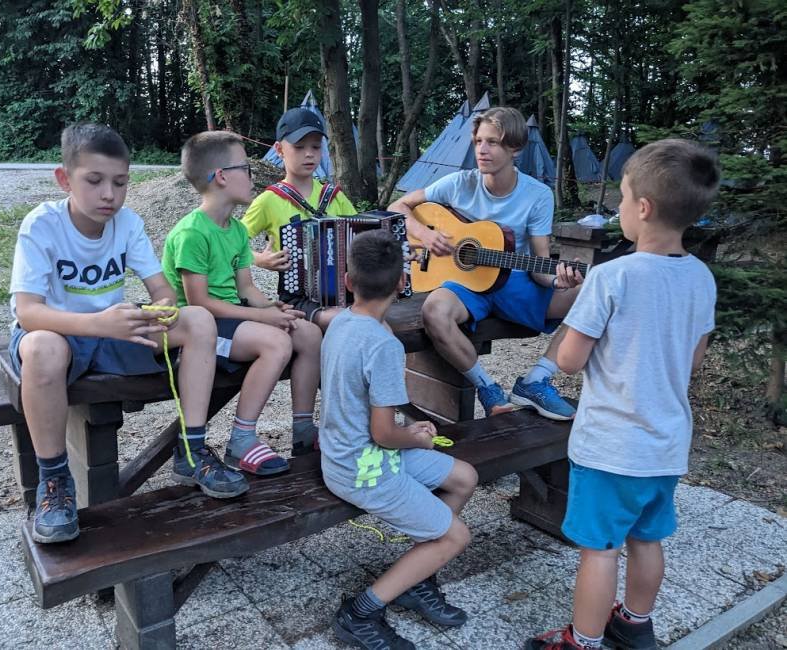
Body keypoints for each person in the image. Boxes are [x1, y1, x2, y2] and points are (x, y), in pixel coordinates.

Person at [525, 139, 720, 650]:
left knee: (601, 549)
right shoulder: (702, 277)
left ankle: (583, 641)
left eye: (624, 197)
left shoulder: (612, 276)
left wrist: (578, 317)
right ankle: (634, 624)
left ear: (644, 208)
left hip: (611, 446)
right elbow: (693, 360)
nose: (619, 208)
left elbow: (569, 361)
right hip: (665, 445)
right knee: (647, 539)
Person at [9, 123, 222, 544]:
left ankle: (192, 447)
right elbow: (28, 312)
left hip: (112, 334)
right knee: (42, 348)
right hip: (58, 334)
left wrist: (162, 310)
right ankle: (54, 480)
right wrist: (98, 324)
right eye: (95, 181)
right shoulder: (43, 224)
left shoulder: (127, 223)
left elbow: (162, 290)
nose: (109, 194)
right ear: (64, 179)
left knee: (199, 320)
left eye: (120, 183)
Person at [320, 229, 478, 649]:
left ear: (348, 282)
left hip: (350, 455)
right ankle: (360, 613)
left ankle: (416, 578)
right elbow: (385, 433)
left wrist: (406, 437)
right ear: (402, 283)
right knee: (457, 536)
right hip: (362, 469)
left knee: (464, 477)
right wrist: (416, 437)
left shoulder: (341, 322)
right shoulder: (382, 347)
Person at [388, 106, 583, 422]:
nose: (482, 150)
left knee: (589, 293)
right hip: (464, 285)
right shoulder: (458, 183)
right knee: (434, 311)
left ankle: (536, 380)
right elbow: (398, 206)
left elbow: (539, 265)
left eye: (492, 142)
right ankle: (487, 387)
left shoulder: (538, 195)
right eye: (478, 141)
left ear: (515, 148)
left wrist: (557, 281)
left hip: (513, 281)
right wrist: (425, 234)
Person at [163, 130, 324, 472]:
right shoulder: (192, 233)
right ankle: (241, 439)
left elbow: (246, 288)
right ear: (221, 176)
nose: (254, 177)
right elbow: (200, 303)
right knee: (277, 343)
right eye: (246, 169)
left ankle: (303, 430)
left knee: (308, 334)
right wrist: (263, 319)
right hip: (199, 329)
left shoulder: (236, 230)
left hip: (231, 319)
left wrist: (271, 308)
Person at [241, 107, 357, 330]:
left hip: (346, 291)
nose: (309, 154)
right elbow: (229, 243)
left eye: (316, 146)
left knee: (370, 319)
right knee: (346, 321)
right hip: (298, 297)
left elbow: (365, 238)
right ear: (279, 149)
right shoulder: (268, 200)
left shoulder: (334, 196)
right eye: (299, 147)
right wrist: (258, 259)